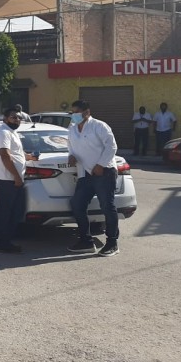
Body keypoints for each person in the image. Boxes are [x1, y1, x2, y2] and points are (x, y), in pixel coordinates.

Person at [66, 100, 120, 257]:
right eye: (72, 112)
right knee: (77, 204)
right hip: (85, 174)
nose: (74, 115)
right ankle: (86, 241)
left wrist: (101, 164)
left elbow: (112, 146)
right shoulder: (72, 128)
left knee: (107, 207)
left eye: (77, 112)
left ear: (87, 112)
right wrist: (71, 155)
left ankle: (112, 243)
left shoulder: (99, 126)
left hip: (104, 172)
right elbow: (70, 145)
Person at [0, 107, 34, 254]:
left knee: (16, 210)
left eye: (19, 117)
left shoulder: (11, 132)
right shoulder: (2, 132)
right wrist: (16, 176)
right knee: (7, 211)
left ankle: (6, 238)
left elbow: (15, 153)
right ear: (5, 118)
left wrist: (27, 157)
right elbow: (5, 155)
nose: (17, 120)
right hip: (6, 179)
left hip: (13, 178)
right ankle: (3, 242)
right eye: (13, 117)